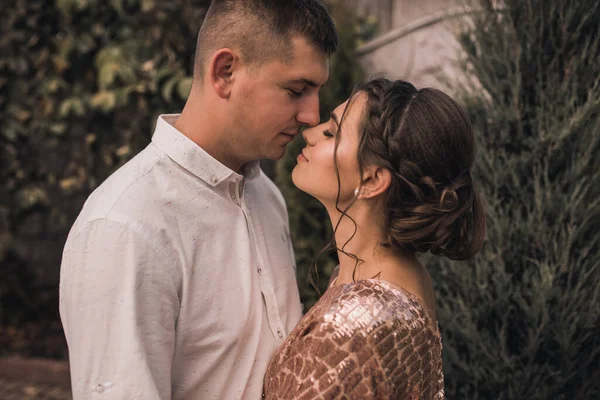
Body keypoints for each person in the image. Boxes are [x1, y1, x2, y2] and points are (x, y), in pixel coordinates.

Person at [59, 1, 338, 399]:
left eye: (316, 91)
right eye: (296, 90)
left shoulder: (267, 196)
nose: (312, 114)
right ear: (225, 73)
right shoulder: (124, 227)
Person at [263, 78, 486, 399]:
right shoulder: (396, 275)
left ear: (371, 180)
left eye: (331, 133)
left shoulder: (355, 329)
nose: (309, 133)